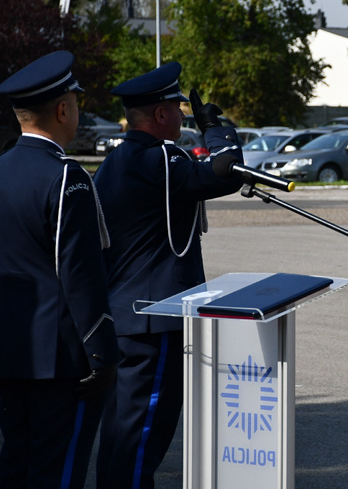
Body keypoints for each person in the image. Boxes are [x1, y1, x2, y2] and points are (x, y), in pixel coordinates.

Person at [94, 62, 243, 489]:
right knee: (142, 439)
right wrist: (215, 128)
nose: (183, 116)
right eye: (178, 110)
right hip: (154, 321)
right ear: (160, 115)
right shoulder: (160, 158)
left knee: (122, 437)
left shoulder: (115, 161)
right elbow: (226, 171)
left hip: (125, 317)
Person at [0, 51, 120, 488]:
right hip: (63, 364)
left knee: (15, 465)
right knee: (57, 473)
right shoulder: (66, 177)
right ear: (63, 110)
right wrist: (104, 354)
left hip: (10, 352)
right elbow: (81, 276)